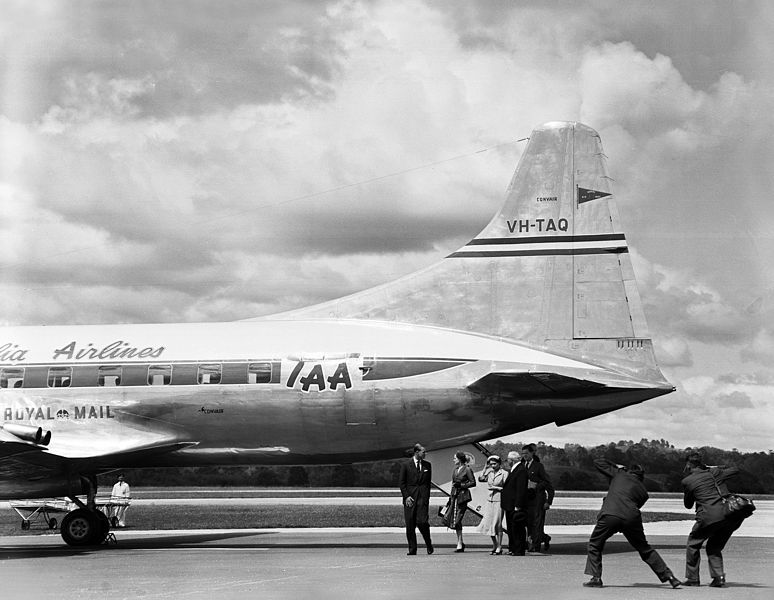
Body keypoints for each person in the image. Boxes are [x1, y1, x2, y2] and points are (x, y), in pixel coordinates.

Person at [583, 459, 680, 588]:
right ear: (642, 476)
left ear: (629, 471)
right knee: (644, 548)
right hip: (631, 518)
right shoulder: (644, 492)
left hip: (610, 515)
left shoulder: (620, 474)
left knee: (595, 544)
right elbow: (637, 505)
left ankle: (596, 577)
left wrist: (616, 466)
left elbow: (598, 462)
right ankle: (669, 576)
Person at [681, 451, 746, 588]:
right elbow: (735, 469)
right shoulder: (715, 473)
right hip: (731, 516)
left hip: (709, 516)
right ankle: (719, 577)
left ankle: (693, 579)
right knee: (714, 546)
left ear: (688, 465)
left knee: (693, 544)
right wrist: (714, 468)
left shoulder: (688, 481)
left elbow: (688, 505)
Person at [398, 443, 434, 555]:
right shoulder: (406, 465)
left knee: (422, 522)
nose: (425, 454)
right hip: (410, 499)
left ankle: (428, 543)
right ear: (417, 452)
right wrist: (406, 496)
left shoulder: (428, 465)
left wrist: (426, 498)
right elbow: (402, 483)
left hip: (422, 499)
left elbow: (428, 484)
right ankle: (412, 548)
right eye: (423, 452)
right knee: (410, 524)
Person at [521, 443, 555, 552]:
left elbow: (547, 483)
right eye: (522, 454)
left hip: (538, 500)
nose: (524, 455)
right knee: (528, 522)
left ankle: (536, 546)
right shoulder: (521, 466)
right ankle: (544, 538)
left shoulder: (538, 466)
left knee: (537, 522)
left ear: (531, 453)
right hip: (526, 500)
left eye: (526, 453)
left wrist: (548, 501)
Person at [445, 450, 476, 552]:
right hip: (454, 496)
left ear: (459, 459)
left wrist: (462, 485)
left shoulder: (467, 469)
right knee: (454, 519)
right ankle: (460, 542)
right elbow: (453, 484)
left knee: (457, 519)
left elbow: (473, 482)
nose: (453, 460)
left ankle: (460, 542)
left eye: (455, 458)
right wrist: (450, 498)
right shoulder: (455, 470)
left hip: (463, 497)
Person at [476, 454, 506, 554]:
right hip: (490, 500)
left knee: (497, 524)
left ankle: (499, 546)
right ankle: (495, 544)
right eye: (491, 464)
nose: (493, 466)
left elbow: (507, 488)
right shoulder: (490, 473)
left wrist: (497, 488)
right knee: (488, 523)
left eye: (495, 464)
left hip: (499, 500)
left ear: (499, 464)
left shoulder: (504, 473)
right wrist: (485, 468)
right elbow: (480, 479)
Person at [500, 450, 528, 556]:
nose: (507, 461)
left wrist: (518, 504)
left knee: (517, 528)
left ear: (512, 460)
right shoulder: (514, 469)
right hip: (509, 504)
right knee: (511, 527)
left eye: (508, 459)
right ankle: (513, 548)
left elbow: (521, 489)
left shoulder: (521, 470)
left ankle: (519, 549)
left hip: (515, 504)